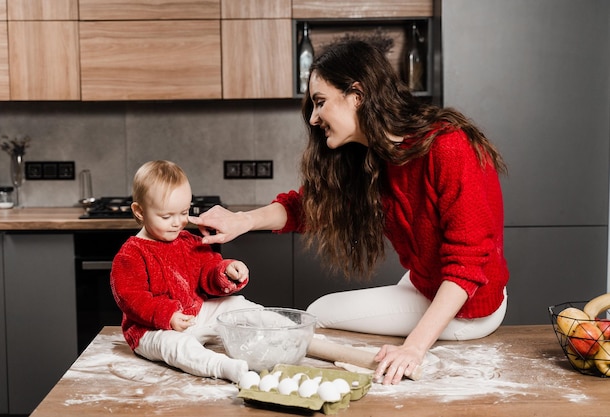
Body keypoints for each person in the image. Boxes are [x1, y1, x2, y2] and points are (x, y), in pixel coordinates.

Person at [190, 37, 509, 385]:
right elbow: (308, 207)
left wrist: (413, 348)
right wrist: (242, 221)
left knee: (319, 315)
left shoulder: (449, 146)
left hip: (471, 308)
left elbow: (467, 264)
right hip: (425, 284)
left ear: (357, 95)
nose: (313, 118)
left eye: (320, 102)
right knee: (322, 314)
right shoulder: (374, 156)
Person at [110, 160, 260, 383]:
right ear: (139, 211)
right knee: (178, 347)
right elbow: (131, 298)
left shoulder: (189, 241)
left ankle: (281, 330)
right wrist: (167, 316)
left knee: (237, 305)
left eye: (183, 212)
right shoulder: (131, 254)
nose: (177, 223)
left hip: (193, 316)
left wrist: (225, 271)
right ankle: (223, 367)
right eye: (166, 216)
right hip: (151, 331)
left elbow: (208, 270)